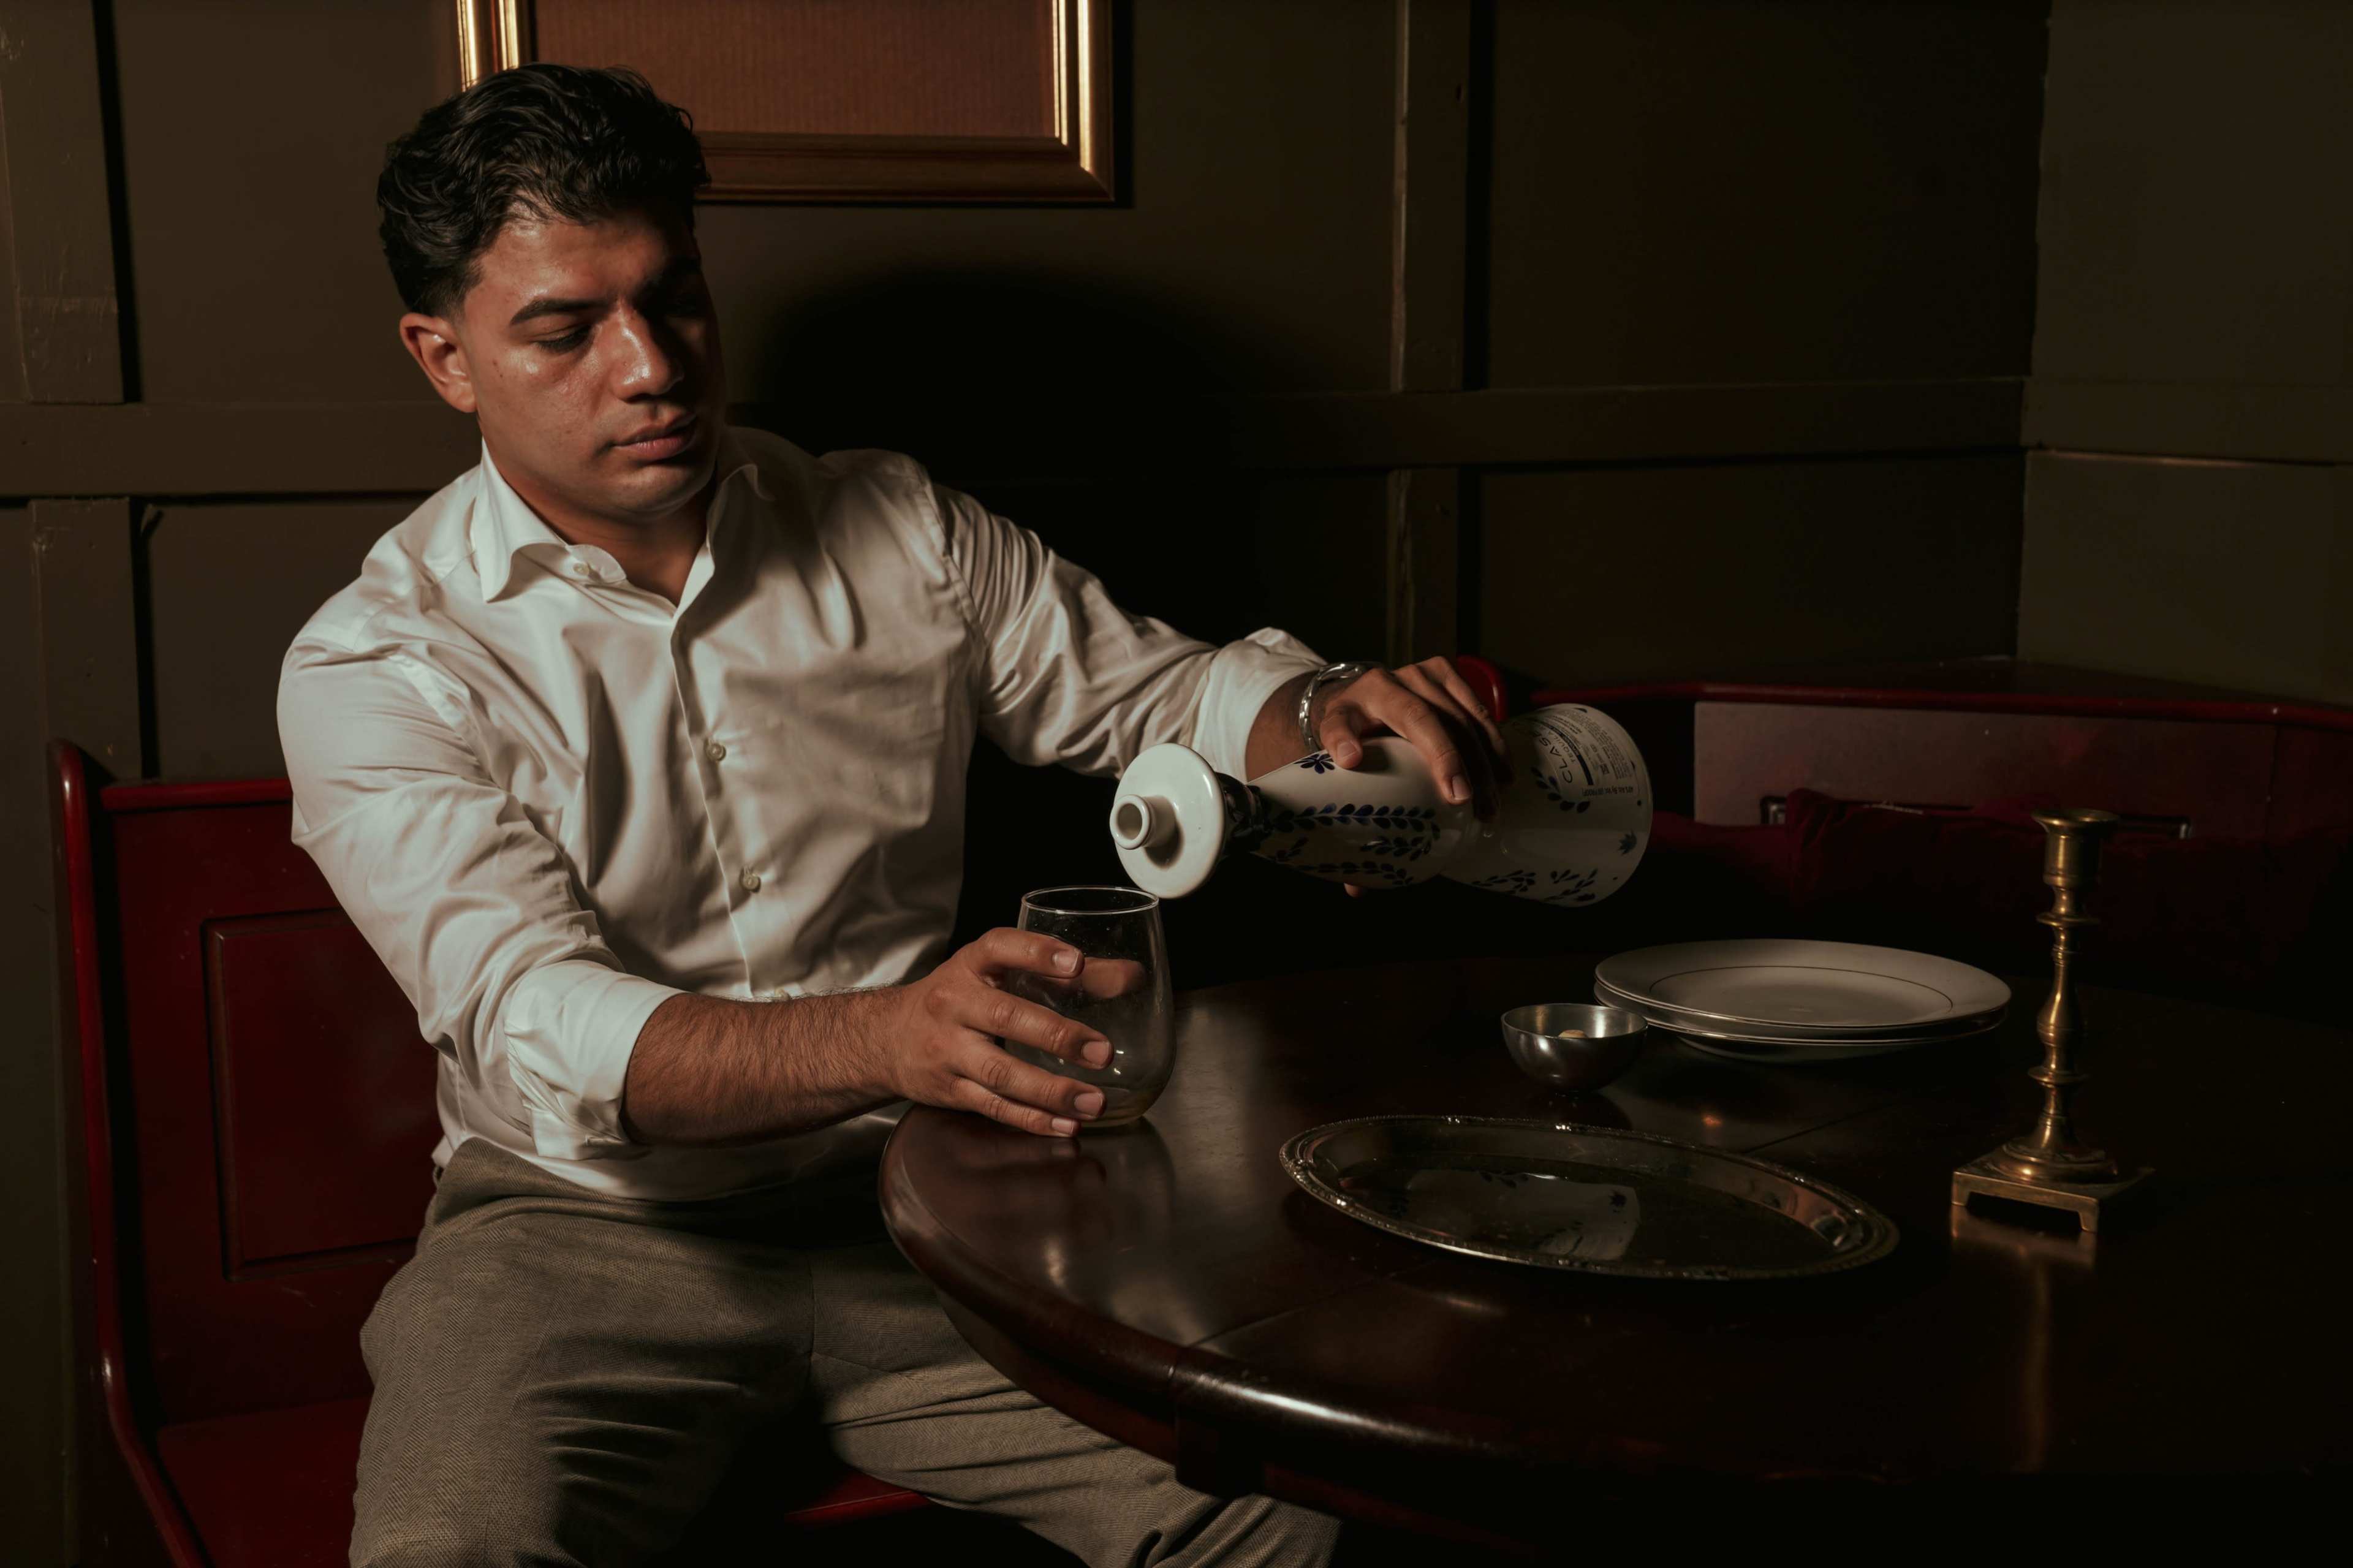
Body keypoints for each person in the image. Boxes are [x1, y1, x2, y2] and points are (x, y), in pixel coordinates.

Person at [284, 62, 1507, 1568]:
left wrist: (1322, 716)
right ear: (444, 354)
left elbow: (1162, 699)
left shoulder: (901, 525)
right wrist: (888, 1036)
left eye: (675, 299)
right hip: (577, 1233)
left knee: (1298, 1515)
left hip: (934, 1206)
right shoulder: (379, 659)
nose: (651, 364)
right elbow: (540, 1017)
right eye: (565, 327)